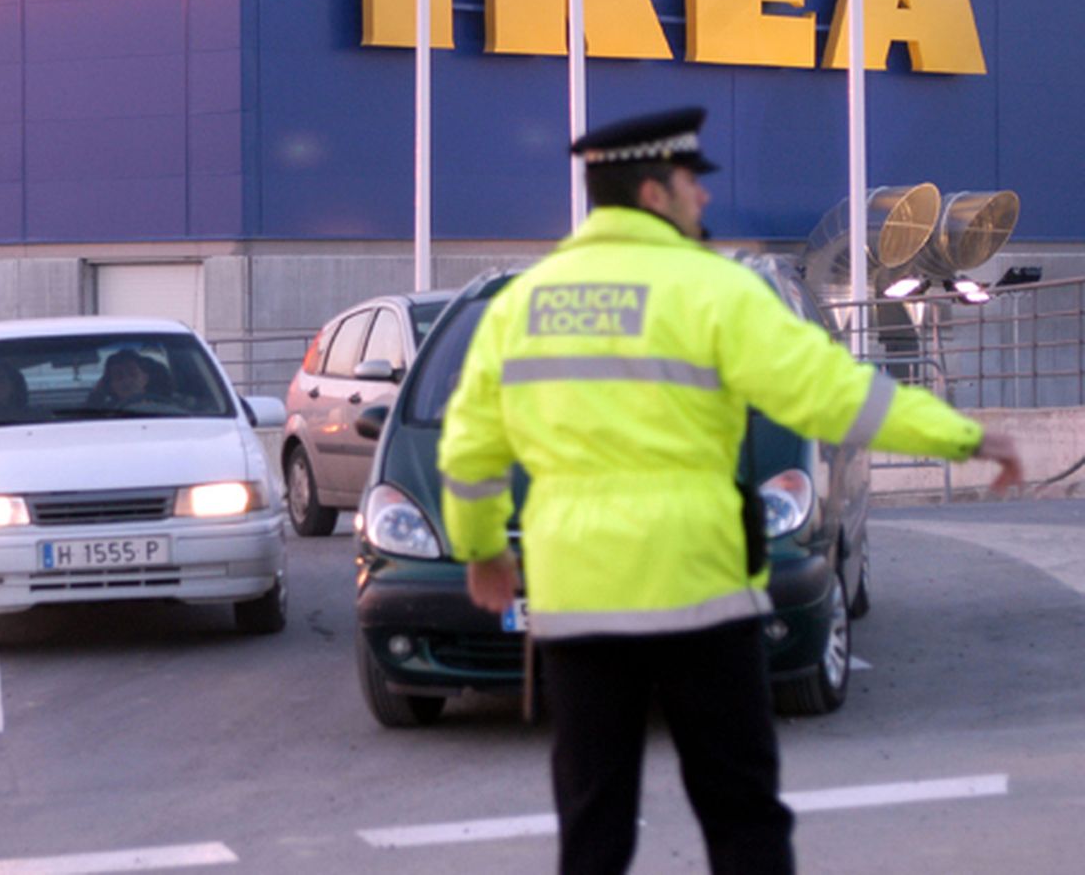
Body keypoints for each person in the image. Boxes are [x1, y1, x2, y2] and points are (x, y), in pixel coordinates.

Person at [436, 107, 1023, 875]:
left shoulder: (521, 305)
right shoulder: (713, 289)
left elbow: (470, 447)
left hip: (578, 596)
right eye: (690, 183)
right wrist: (964, 436)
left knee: (593, 821)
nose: (702, 198)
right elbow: (832, 395)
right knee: (740, 813)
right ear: (652, 193)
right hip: (701, 590)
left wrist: (482, 551)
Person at [89, 350, 172, 407]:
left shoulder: (171, 408)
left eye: (133, 373)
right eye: (118, 376)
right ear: (111, 385)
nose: (127, 381)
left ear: (145, 378)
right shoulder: (103, 415)